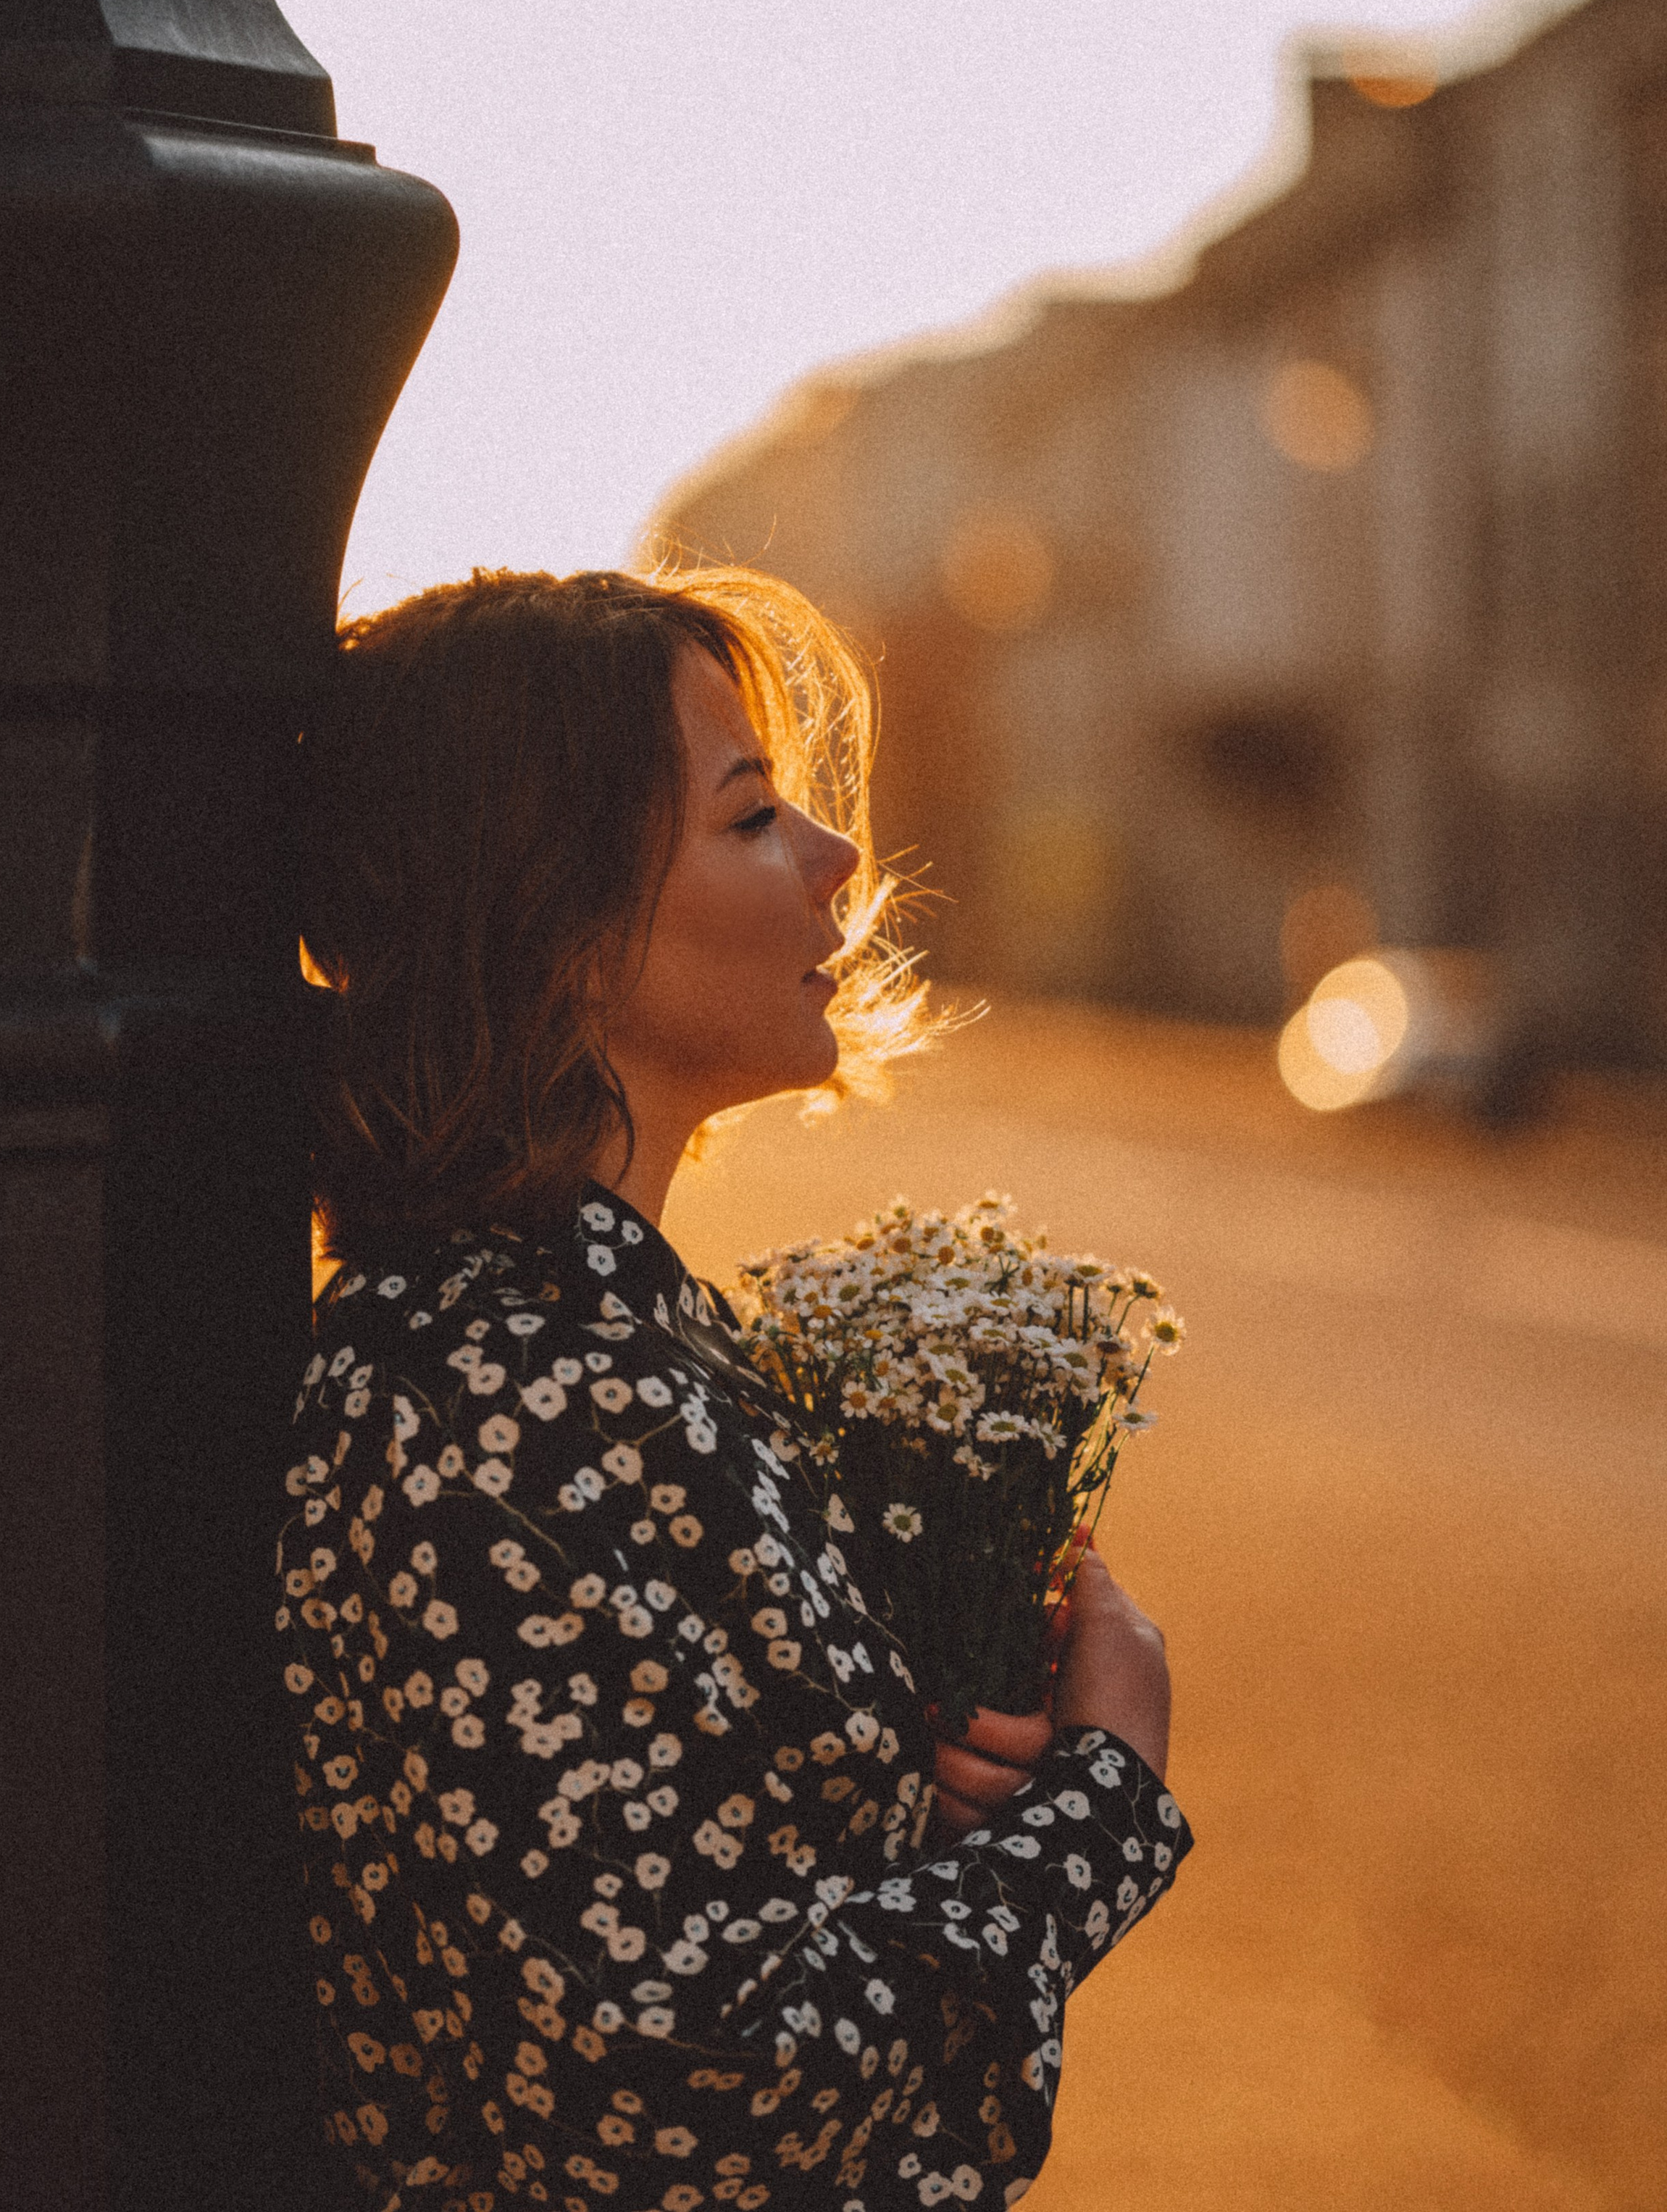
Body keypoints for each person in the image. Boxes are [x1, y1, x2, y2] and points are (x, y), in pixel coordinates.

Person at [280, 564, 1188, 2212]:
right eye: (753, 814)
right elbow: (676, 2089)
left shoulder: (600, 1335)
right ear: (555, 937)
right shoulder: (486, 1400)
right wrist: (1096, 1815)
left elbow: (697, 1880)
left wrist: (928, 1793)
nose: (838, 856)